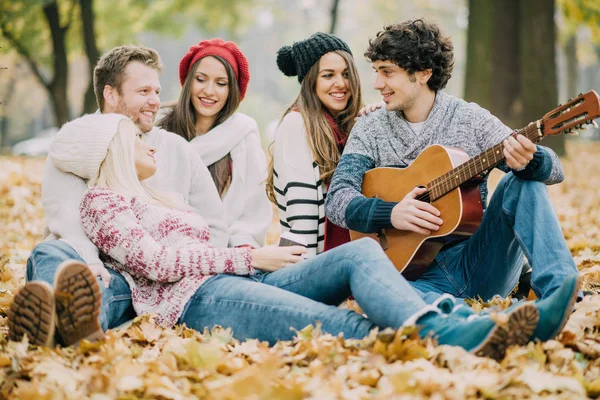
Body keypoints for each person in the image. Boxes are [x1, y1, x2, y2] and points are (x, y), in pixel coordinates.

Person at [20, 112, 577, 361]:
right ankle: (459, 333)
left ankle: (470, 325)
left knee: (358, 252)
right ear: (111, 150)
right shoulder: (103, 201)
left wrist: (256, 255)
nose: (151, 142)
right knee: (342, 325)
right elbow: (155, 261)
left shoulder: (160, 196)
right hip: (199, 295)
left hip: (245, 271)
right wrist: (246, 255)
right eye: (134, 137)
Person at [325, 19, 581, 340]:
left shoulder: (469, 119)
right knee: (379, 297)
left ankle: (561, 293)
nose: (376, 83)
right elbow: (337, 200)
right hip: (414, 278)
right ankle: (480, 327)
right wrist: (392, 213)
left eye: (387, 72)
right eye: (376, 70)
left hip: (479, 261)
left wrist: (532, 160)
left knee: (521, 181)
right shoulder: (371, 127)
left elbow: (553, 171)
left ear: (423, 73)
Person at [8, 45, 229, 346]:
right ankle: (49, 316)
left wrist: (190, 278)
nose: (155, 101)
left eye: (156, 91)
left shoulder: (176, 149)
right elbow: (68, 222)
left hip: (145, 277)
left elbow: (214, 225)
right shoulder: (75, 145)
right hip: (84, 263)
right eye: (143, 92)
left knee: (104, 285)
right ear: (111, 95)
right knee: (50, 253)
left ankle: (52, 328)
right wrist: (91, 263)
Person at [158, 39, 271, 248]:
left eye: (221, 84)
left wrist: (242, 250)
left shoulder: (243, 134)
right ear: (189, 81)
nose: (209, 91)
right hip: (160, 247)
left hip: (220, 253)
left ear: (232, 91)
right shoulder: (158, 124)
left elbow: (253, 209)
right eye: (201, 79)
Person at [266, 33, 362, 257]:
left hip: (350, 256)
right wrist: (312, 276)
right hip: (314, 260)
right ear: (311, 81)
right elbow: (303, 216)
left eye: (346, 74)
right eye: (328, 75)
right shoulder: (297, 124)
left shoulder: (353, 128)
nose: (341, 83)